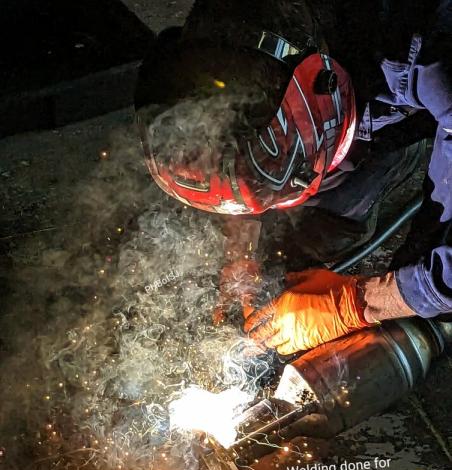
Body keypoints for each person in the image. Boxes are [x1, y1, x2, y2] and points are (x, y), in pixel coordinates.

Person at [135, 0, 452, 355]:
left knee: (428, 272)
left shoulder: (428, 49)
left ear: (321, 88)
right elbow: (234, 136)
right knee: (299, 230)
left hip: (418, 70)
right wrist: (243, 237)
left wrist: (362, 303)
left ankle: (411, 152)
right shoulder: (235, 35)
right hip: (358, 71)